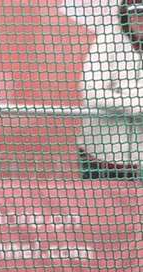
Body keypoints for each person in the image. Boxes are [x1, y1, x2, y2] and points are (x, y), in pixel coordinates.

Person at [77, 0, 143, 179]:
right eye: (136, 13)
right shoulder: (108, 40)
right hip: (101, 156)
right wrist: (133, 104)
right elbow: (90, 92)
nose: (140, 20)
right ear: (125, 14)